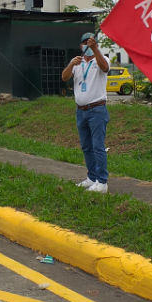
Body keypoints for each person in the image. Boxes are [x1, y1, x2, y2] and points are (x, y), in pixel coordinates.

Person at [61, 32, 110, 193]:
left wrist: (96, 50)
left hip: (97, 109)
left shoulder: (101, 59)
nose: (87, 46)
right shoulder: (77, 62)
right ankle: (92, 177)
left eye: (90, 43)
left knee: (98, 146)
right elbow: (64, 77)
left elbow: (105, 68)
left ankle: (102, 182)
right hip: (81, 111)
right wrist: (71, 65)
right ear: (80, 45)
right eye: (85, 43)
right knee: (86, 146)